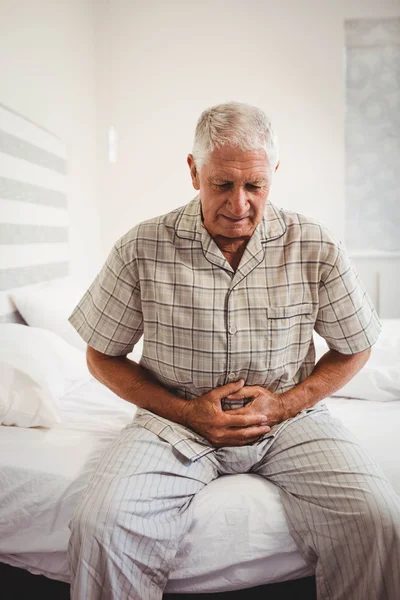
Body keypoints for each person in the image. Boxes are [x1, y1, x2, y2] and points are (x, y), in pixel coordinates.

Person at [68, 101, 400, 600]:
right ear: (193, 170)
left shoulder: (316, 245)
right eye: (222, 184)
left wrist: (286, 403)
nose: (239, 203)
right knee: (102, 525)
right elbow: (101, 356)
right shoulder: (140, 246)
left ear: (274, 176)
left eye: (255, 186)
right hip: (173, 421)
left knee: (378, 518)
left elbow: (355, 347)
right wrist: (186, 410)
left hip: (290, 420)